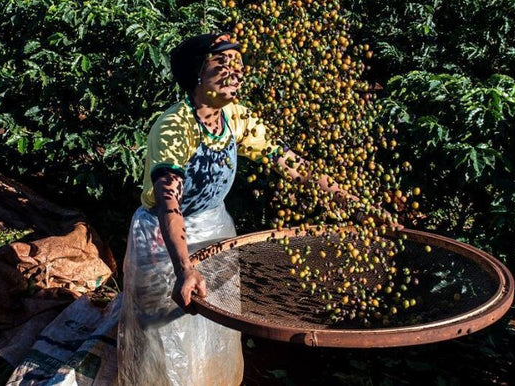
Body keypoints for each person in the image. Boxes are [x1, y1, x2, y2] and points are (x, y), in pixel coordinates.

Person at [116, 32, 347, 385]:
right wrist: (184, 267)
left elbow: (286, 160)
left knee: (215, 324)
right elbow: (168, 203)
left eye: (238, 65)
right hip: (165, 240)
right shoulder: (175, 127)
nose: (235, 74)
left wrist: (345, 198)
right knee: (165, 329)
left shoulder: (234, 117)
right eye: (221, 65)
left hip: (214, 228)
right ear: (196, 75)